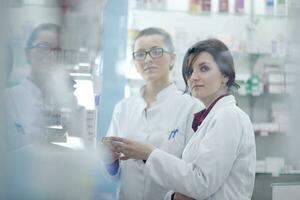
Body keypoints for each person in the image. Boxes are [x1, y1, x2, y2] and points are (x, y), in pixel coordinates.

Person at [106, 38, 256, 200]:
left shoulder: (228, 116)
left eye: (204, 69)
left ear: (225, 75)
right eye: (190, 71)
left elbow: (201, 183)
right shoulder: (211, 117)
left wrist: (149, 154)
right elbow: (193, 178)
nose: (194, 77)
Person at [101, 27, 203, 200]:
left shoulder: (192, 108)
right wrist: (110, 160)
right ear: (135, 63)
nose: (148, 59)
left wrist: (149, 154)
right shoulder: (123, 108)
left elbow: (195, 175)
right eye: (140, 54)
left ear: (172, 58)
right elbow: (114, 173)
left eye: (156, 51)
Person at [4, 23, 77, 150]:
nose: (50, 54)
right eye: (43, 47)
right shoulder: (8, 99)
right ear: (27, 53)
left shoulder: (69, 101)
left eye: (57, 50)